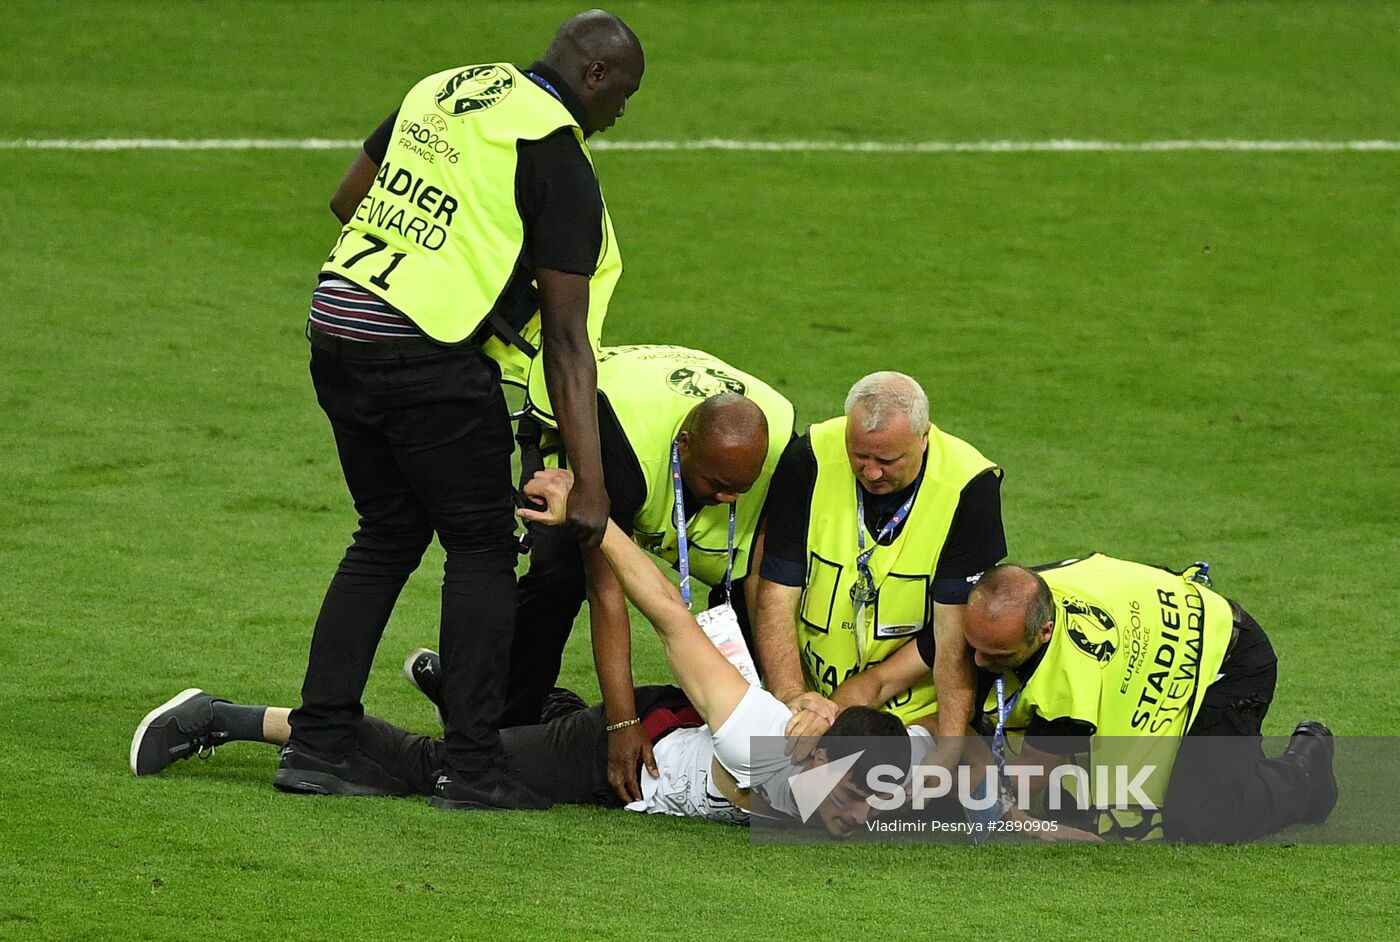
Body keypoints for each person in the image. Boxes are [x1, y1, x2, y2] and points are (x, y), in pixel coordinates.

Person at [285, 10, 644, 811]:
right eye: (623, 95)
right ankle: (474, 767)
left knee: (384, 534)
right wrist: (590, 481)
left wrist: (450, 283)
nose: (623, 114)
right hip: (422, 356)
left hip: (337, 322)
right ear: (593, 77)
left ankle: (318, 744)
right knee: (482, 545)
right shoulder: (556, 153)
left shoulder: (450, 86)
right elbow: (567, 341)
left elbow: (350, 198)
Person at [130, 470, 912, 837]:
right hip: (614, 759)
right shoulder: (761, 738)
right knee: (440, 765)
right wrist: (592, 522)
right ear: (807, 744)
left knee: (513, 729)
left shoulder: (870, 774)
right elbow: (672, 618)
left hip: (653, 727)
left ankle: (479, 694)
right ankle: (220, 717)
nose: (837, 815)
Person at [506, 344, 795, 803]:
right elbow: (607, 595)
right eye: (718, 486)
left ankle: (697, 726)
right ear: (684, 445)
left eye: (743, 487)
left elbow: (768, 579)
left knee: (745, 597)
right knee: (559, 574)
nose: (730, 500)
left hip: (660, 443)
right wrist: (623, 725)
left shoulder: (784, 442)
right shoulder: (620, 451)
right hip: (585, 427)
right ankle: (506, 717)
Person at [960, 558, 1338, 842]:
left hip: (1225, 664)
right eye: (972, 645)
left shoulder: (1069, 678)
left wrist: (947, 803)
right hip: (1159, 642)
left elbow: (1028, 776)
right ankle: (1225, 764)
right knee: (1072, 807)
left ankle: (1304, 771)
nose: (977, 661)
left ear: (1043, 632)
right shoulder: (1017, 595)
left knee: (1195, 818)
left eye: (998, 654)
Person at [752, 372, 1006, 750]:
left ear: (924, 438)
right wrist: (792, 697)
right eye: (859, 455)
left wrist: (950, 750)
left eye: (887, 460)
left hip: (911, 714)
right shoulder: (811, 457)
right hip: (813, 702)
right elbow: (776, 590)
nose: (871, 472)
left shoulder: (969, 487)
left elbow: (953, 636)